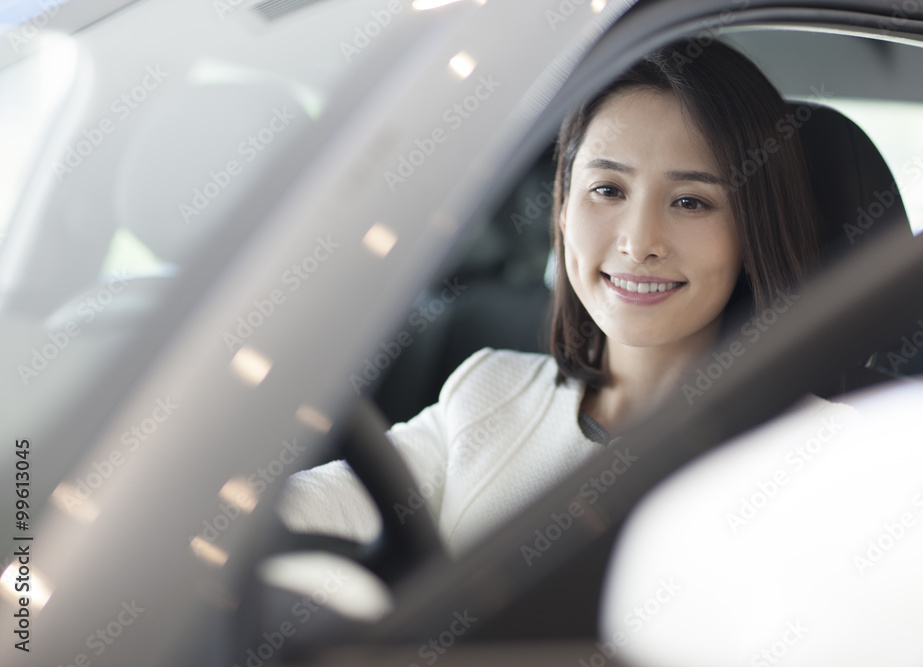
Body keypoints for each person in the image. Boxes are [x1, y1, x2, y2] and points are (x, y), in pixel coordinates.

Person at [279, 40, 822, 554]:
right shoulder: (487, 393)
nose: (638, 243)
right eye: (608, 190)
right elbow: (302, 510)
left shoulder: (827, 453)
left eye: (691, 201)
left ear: (755, 226)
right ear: (562, 209)